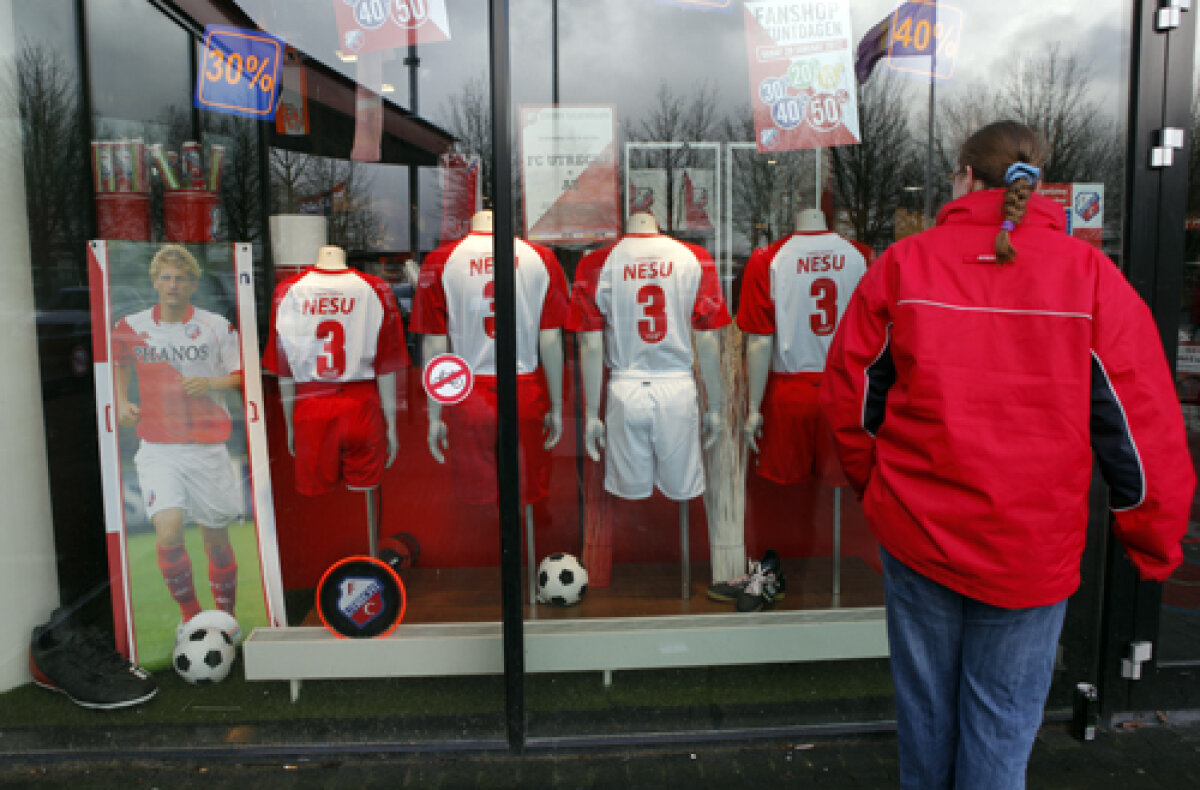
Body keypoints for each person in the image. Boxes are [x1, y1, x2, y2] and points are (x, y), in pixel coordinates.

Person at [819, 120, 1194, 789]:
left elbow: (851, 403)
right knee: (999, 729)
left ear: (965, 177)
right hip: (1030, 545)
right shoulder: (1089, 275)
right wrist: (1154, 540)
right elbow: (1143, 427)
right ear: (1036, 182)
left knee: (927, 719)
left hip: (920, 532)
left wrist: (875, 487)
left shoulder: (904, 265)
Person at [113, 244, 244, 629]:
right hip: (158, 448)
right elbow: (119, 361)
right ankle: (190, 617)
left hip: (207, 448)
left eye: (181, 278)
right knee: (168, 532)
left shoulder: (216, 326)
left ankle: (226, 620)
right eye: (165, 277)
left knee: (216, 541)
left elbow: (242, 376)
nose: (172, 285)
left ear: (192, 284)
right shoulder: (131, 326)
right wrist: (121, 401)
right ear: (155, 282)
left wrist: (211, 382)